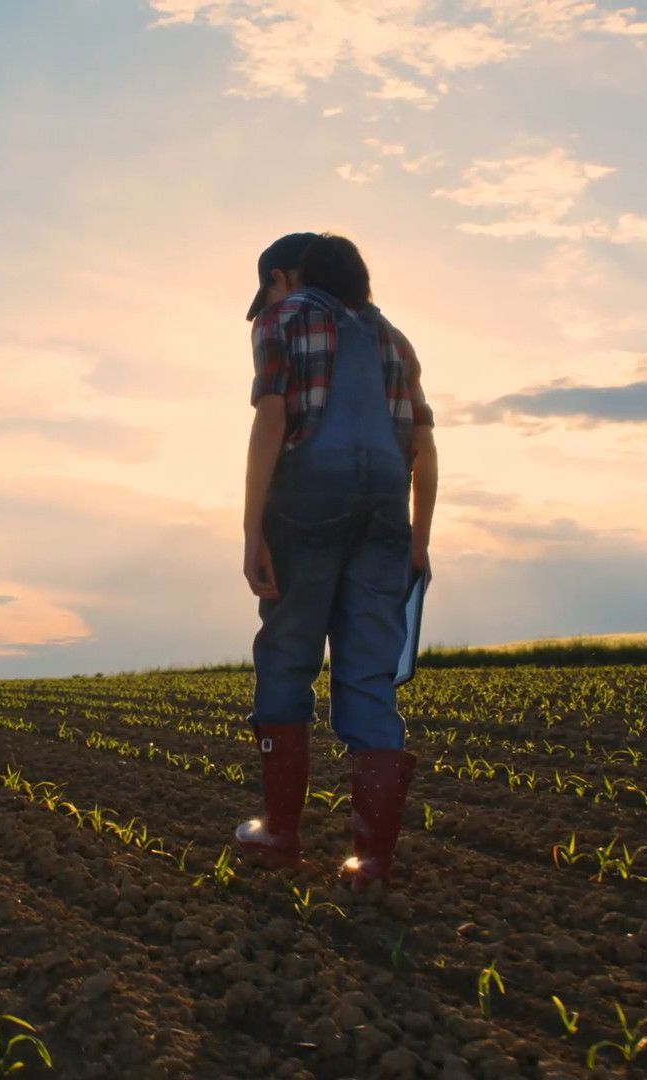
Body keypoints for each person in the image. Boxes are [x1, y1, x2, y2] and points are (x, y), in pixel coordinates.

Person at [233, 231, 438, 892]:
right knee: (369, 673)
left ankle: (281, 835)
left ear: (288, 276)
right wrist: (418, 539)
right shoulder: (396, 340)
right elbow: (424, 449)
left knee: (289, 653)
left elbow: (271, 417)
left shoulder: (282, 319)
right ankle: (371, 862)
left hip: (307, 497)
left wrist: (251, 528)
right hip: (385, 508)